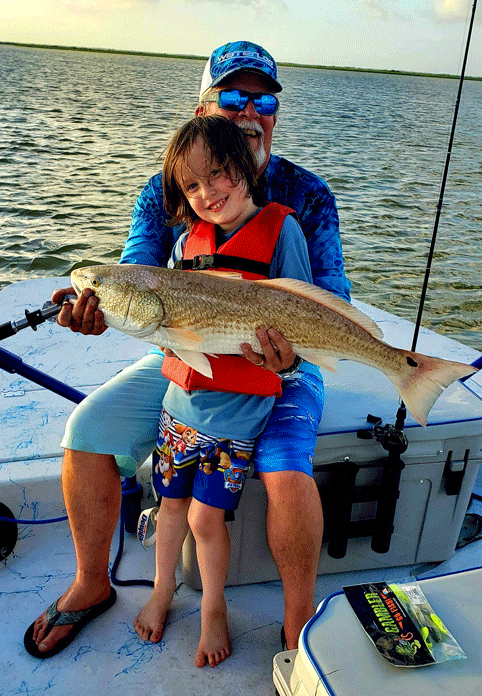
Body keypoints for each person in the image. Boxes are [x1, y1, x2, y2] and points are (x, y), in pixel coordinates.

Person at [24, 41, 351, 659]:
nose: (249, 110)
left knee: (285, 473)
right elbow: (137, 276)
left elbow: (330, 297)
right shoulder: (169, 188)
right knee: (86, 428)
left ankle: (300, 627)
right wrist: (98, 312)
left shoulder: (306, 196)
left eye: (263, 99)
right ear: (204, 106)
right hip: (186, 350)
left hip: (280, 361)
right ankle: (93, 585)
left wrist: (292, 358)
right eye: (232, 97)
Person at [134, 115, 318, 667]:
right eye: (191, 186)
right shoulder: (187, 242)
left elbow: (306, 312)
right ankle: (163, 588)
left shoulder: (282, 230)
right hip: (179, 409)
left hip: (236, 420)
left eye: (217, 175)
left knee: (203, 520)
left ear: (245, 168)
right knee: (169, 509)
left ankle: (213, 605)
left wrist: (293, 356)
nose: (207, 192)